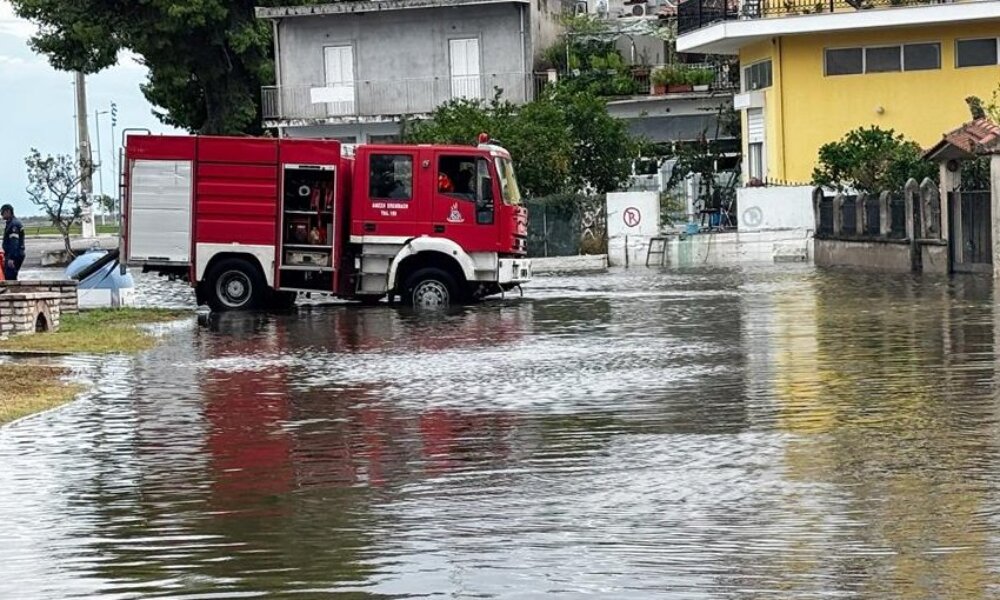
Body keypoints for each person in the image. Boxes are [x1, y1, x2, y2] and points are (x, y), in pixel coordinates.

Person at [1, 204, 25, 281]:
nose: (1, 215)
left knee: (9, 277)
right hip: (14, 254)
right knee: (10, 276)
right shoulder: (11, 223)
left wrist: (11, 258)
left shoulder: (13, 225)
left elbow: (14, 243)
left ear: (8, 212)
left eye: (2, 213)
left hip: (15, 255)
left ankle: (12, 292)